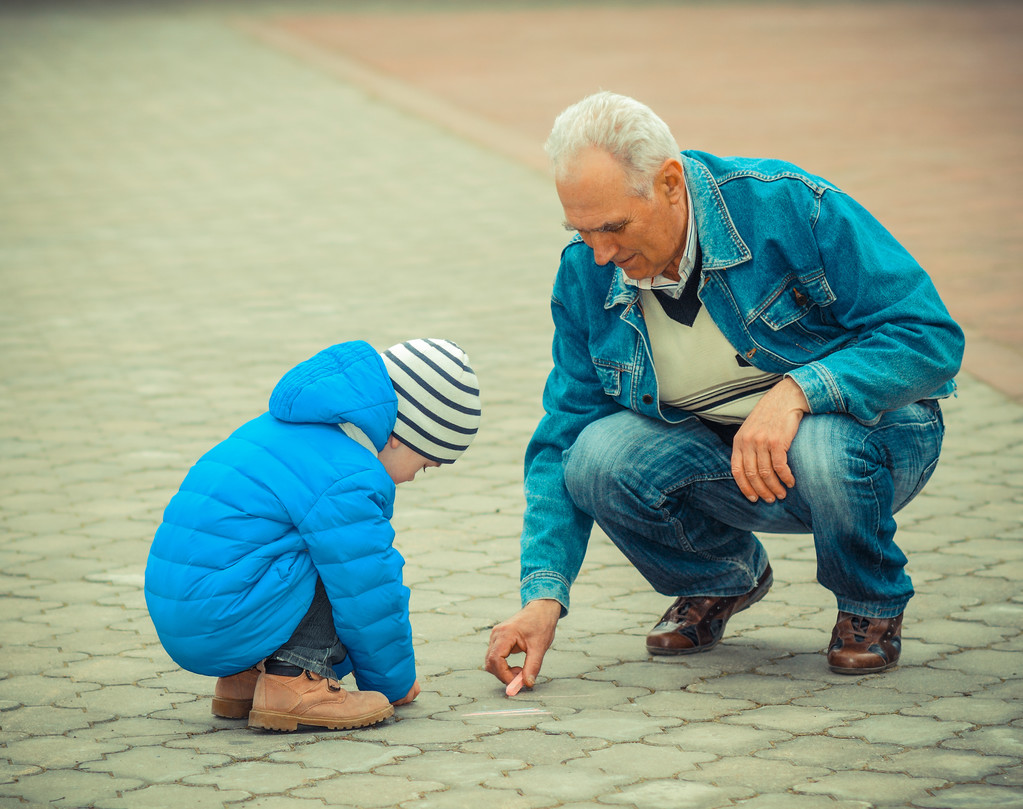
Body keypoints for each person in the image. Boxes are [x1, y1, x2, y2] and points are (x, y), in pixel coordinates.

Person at [485, 91, 964, 689]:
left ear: (669, 183)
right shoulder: (586, 273)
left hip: (873, 443)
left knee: (821, 443)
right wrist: (543, 597)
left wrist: (799, 392)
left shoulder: (789, 207)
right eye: (582, 232)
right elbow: (563, 435)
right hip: (727, 459)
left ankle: (869, 600)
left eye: (612, 228)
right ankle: (719, 578)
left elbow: (929, 337)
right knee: (594, 456)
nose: (601, 253)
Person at [145, 338, 481, 731]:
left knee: (289, 537)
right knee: (344, 560)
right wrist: (392, 684)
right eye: (424, 464)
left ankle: (248, 677)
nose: (411, 477)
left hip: (187, 615)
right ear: (398, 435)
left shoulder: (279, 428)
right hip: (222, 618)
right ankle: (293, 679)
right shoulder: (347, 472)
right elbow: (369, 589)